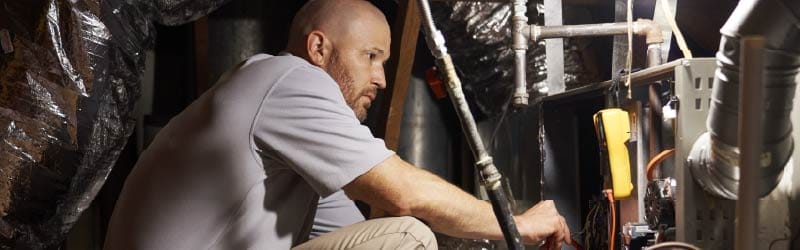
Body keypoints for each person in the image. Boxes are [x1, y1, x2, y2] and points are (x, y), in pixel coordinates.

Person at [103, 0, 573, 249]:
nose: (381, 79)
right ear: (318, 48)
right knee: (407, 237)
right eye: (370, 56)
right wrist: (519, 224)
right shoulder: (288, 79)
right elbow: (404, 196)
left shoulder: (299, 153)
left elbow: (354, 234)